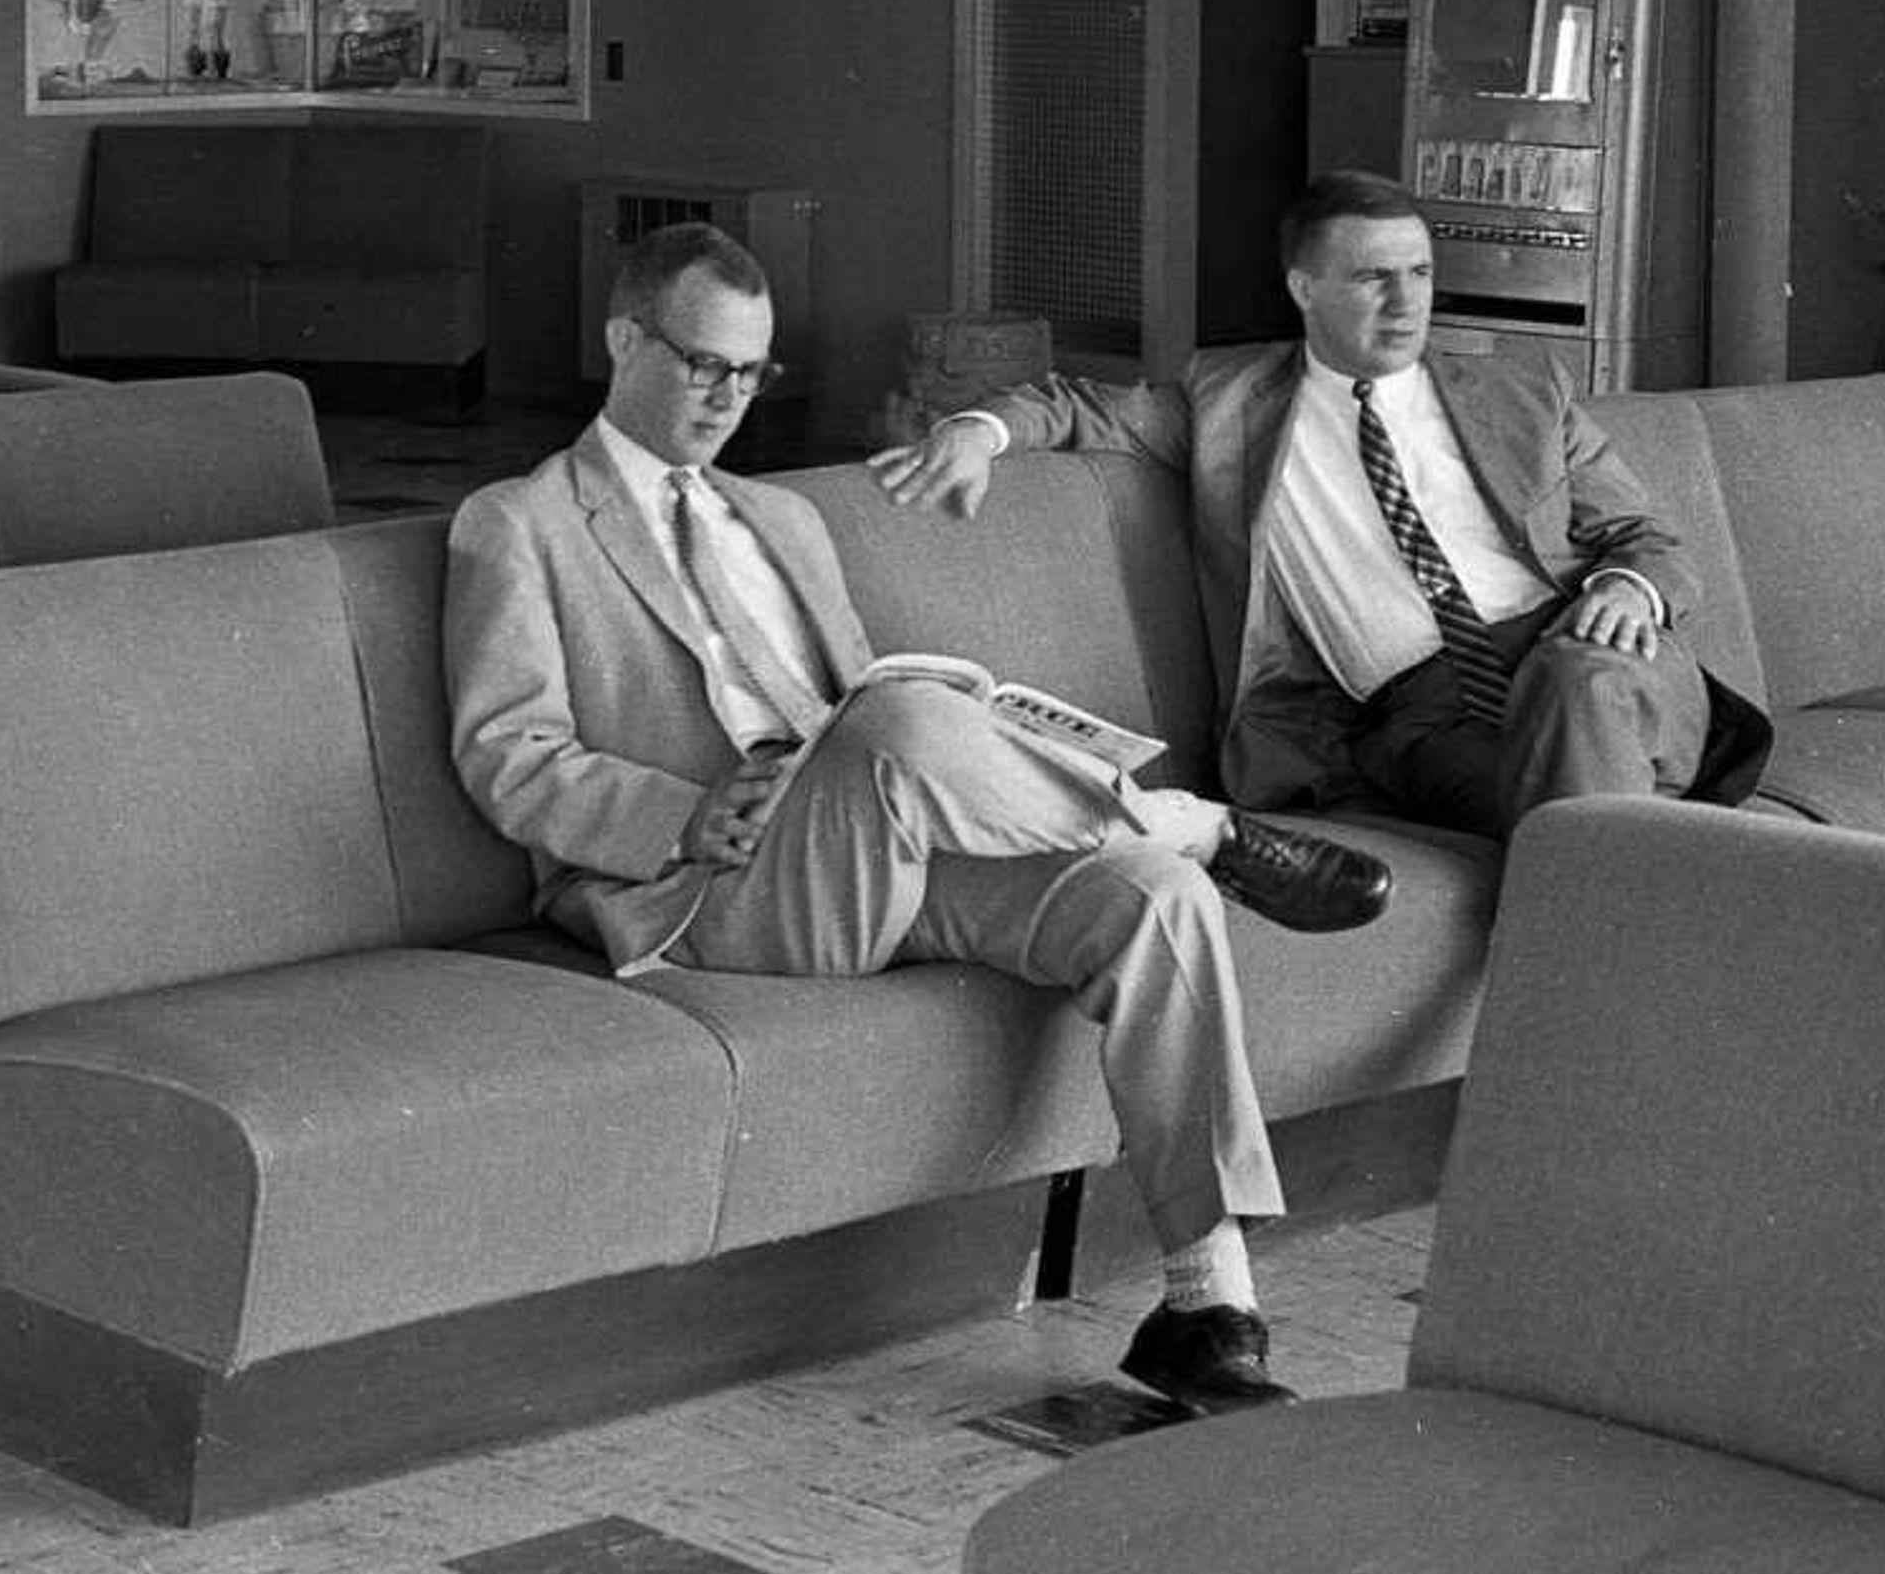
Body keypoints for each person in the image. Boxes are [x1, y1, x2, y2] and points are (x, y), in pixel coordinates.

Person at [445, 220, 1392, 1415]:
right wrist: (684, 815)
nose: (728, 397)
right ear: (623, 337)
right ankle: (1184, 816)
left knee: (1149, 894)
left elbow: (846, 706)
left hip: (868, 844)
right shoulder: (518, 521)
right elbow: (506, 753)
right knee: (900, 729)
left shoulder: (779, 516)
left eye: (751, 372)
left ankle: (1208, 1301)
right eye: (701, 364)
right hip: (715, 884)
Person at [873, 167, 1770, 837]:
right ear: (1306, 289)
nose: (1405, 300)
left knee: (1580, 693)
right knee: (1558, 821)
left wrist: (1625, 590)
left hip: (1580, 650)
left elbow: (1647, 539)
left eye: (1418, 273)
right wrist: (976, 431)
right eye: (1373, 278)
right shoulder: (1226, 406)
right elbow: (1071, 403)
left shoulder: (1527, 394)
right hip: (1421, 719)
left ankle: (1604, 982)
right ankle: (1649, 911)